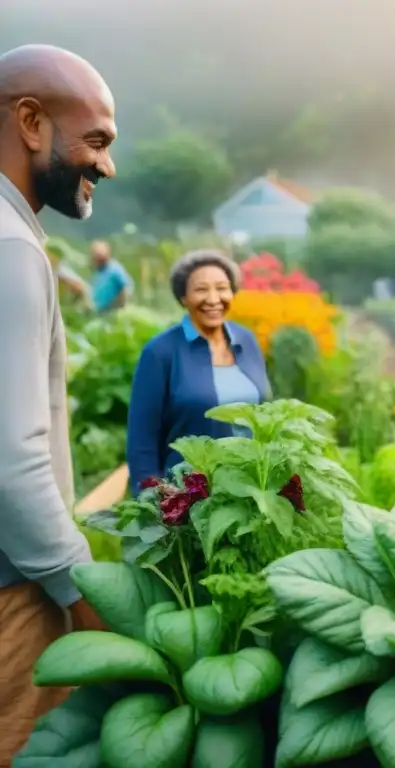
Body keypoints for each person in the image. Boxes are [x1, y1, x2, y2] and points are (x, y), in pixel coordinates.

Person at [0, 44, 115, 764]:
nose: (106, 165)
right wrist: (79, 593)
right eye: (96, 139)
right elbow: (13, 460)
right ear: (32, 122)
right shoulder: (12, 250)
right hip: (13, 597)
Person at [127, 250, 270, 495]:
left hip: (249, 492)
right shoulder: (161, 352)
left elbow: (265, 413)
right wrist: (153, 495)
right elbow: (142, 438)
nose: (213, 299)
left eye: (222, 288)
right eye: (201, 290)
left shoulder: (246, 340)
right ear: (183, 297)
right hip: (187, 498)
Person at [89, 238, 133, 312]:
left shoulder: (114, 269)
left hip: (112, 313)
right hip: (99, 312)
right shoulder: (99, 272)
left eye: (100, 255)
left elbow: (127, 288)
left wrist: (117, 306)